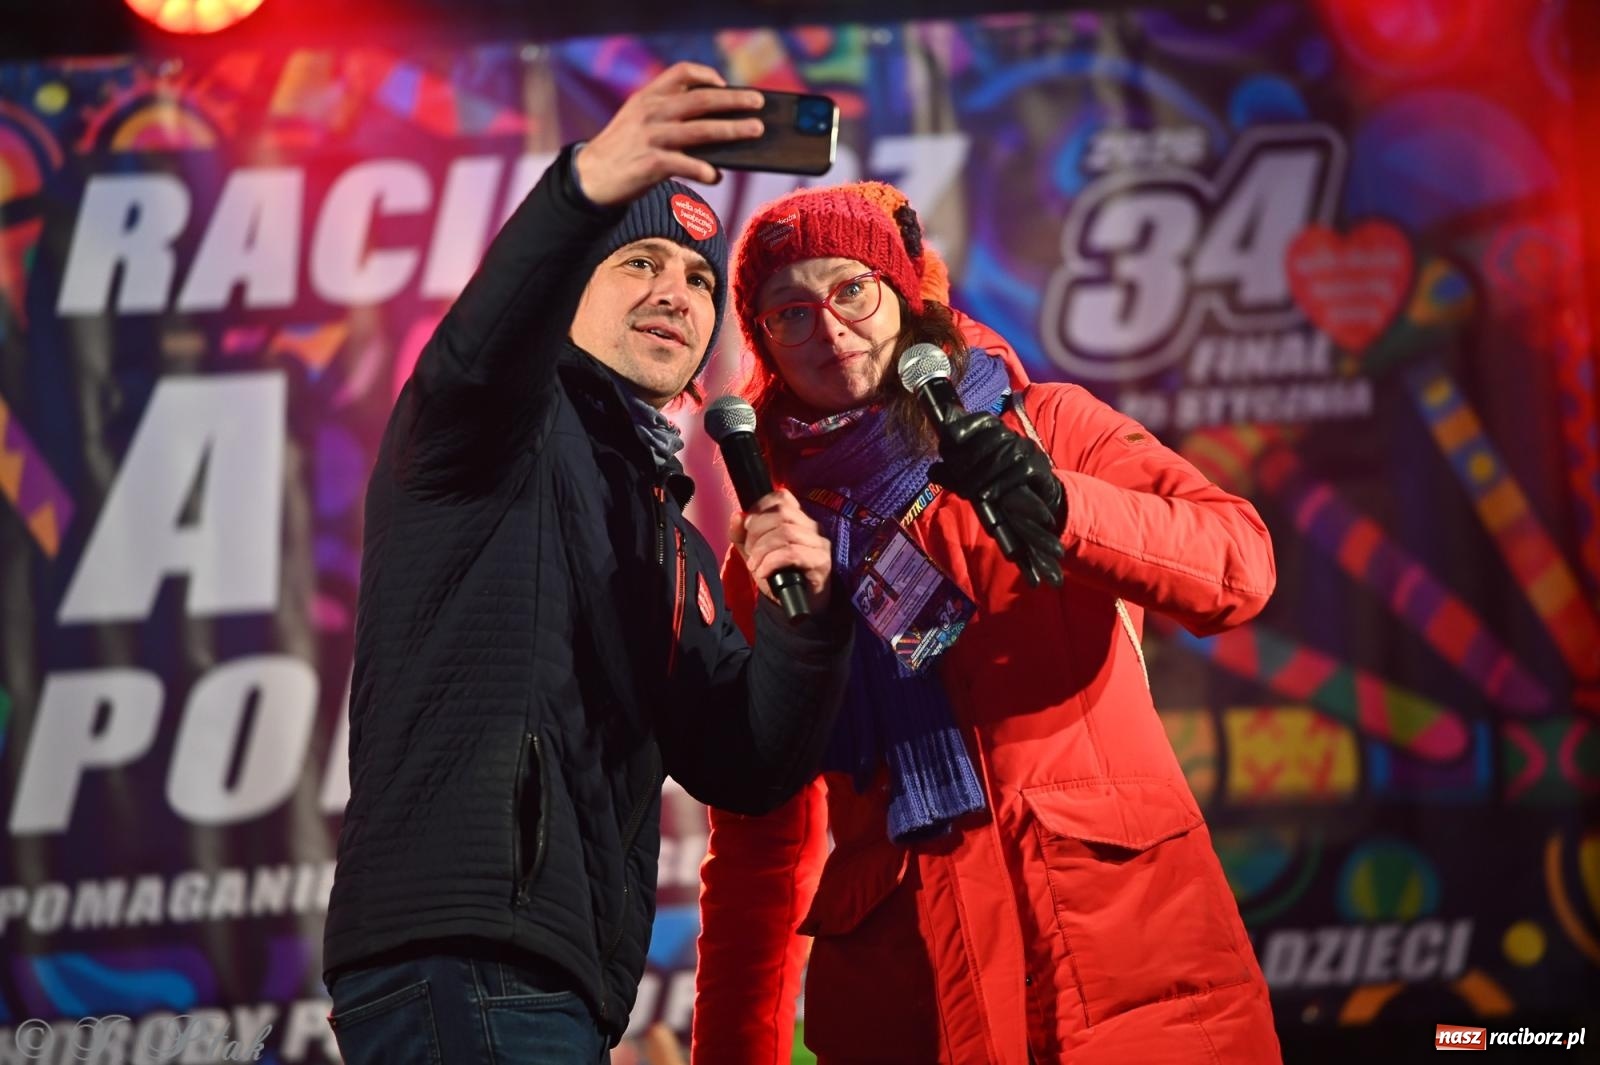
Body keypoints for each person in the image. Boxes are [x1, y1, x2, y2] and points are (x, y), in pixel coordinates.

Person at [322, 63, 855, 1065]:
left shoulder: (667, 527)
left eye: (700, 281)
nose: (676, 294)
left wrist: (805, 625)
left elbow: (744, 764)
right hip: (465, 957)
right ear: (567, 288)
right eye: (638, 262)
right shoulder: (491, 431)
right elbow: (485, 348)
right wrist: (588, 185)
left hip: (549, 982)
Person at [690, 182, 1282, 1064]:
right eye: (791, 312)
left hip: (1125, 979)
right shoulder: (776, 543)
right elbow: (760, 846)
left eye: (852, 289)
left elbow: (1238, 566)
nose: (830, 328)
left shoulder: (1047, 428)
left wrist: (1059, 503)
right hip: (907, 1003)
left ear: (905, 294)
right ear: (766, 346)